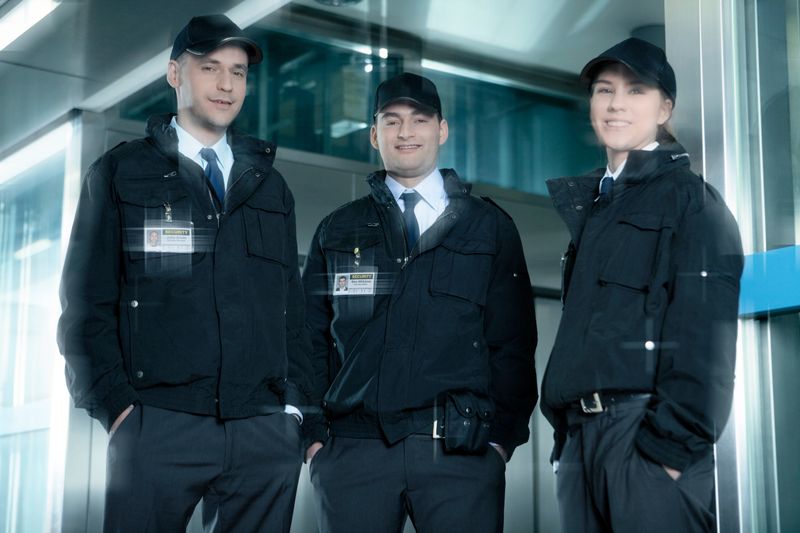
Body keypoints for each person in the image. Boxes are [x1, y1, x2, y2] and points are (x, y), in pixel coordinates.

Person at [57, 14, 313, 533]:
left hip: (261, 430)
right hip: (158, 422)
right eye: (210, 67)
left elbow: (293, 311)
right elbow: (86, 303)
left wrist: (293, 412)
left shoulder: (270, 188)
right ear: (175, 74)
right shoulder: (123, 173)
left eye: (238, 72)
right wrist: (120, 411)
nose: (225, 84)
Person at [302, 72, 538, 533]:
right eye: (391, 121)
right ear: (374, 135)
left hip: (460, 454)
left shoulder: (488, 227)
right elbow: (307, 337)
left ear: (441, 130)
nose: (405, 132)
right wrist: (314, 439)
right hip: (354, 453)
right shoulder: (339, 230)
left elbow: (513, 342)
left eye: (419, 119)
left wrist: (500, 442)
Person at [540, 38, 744, 532]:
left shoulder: (690, 199)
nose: (615, 104)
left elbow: (705, 338)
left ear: (664, 108)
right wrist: (566, 442)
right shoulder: (595, 207)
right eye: (604, 90)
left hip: (644, 440)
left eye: (635, 91)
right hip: (580, 441)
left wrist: (668, 452)